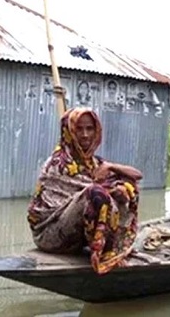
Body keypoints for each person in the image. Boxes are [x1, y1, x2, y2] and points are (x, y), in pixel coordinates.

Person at [27, 107, 143, 275]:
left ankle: (112, 246)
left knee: (127, 186)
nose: (85, 135)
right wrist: (108, 190)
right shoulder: (58, 163)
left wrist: (111, 168)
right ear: (69, 132)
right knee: (96, 193)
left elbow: (137, 175)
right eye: (79, 129)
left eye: (90, 128)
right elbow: (85, 196)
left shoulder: (94, 163)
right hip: (50, 236)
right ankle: (104, 254)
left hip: (77, 238)